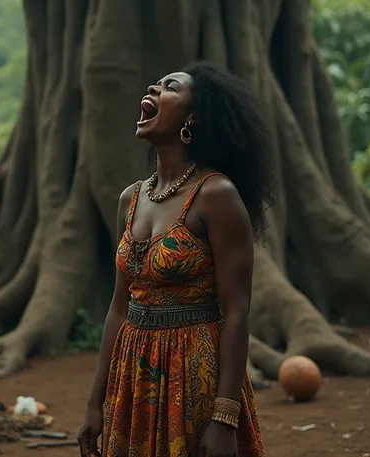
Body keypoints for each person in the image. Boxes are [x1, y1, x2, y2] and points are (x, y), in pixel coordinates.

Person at [78, 62, 275, 457]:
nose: (153, 87)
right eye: (155, 82)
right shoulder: (130, 199)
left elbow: (236, 310)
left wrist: (224, 417)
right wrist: (94, 403)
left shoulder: (215, 194)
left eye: (169, 87)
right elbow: (119, 307)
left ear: (193, 118)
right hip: (133, 375)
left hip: (193, 372)